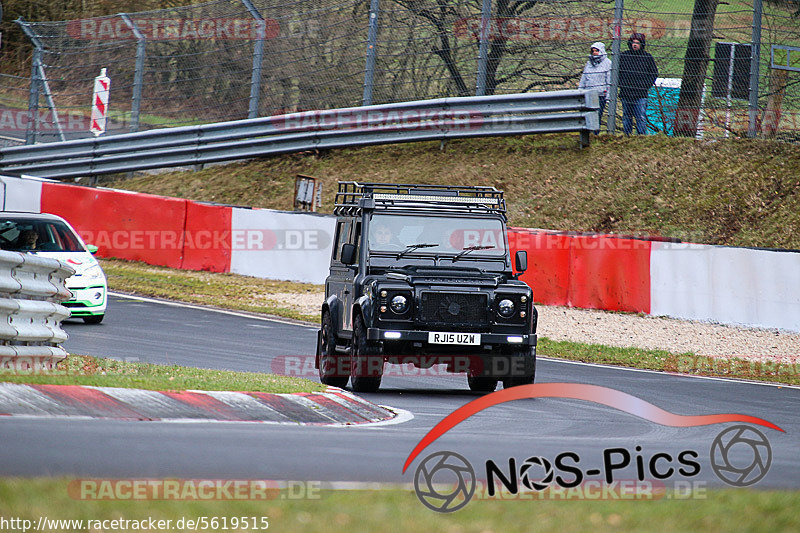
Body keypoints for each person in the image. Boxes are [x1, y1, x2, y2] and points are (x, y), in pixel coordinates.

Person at [618, 32, 658, 135]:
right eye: (633, 42)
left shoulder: (647, 58)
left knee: (640, 116)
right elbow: (616, 73)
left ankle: (641, 136)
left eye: (637, 43)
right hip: (626, 92)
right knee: (627, 116)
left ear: (642, 44)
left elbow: (653, 74)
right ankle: (627, 135)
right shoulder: (623, 56)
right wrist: (622, 84)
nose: (635, 45)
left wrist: (645, 85)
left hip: (640, 93)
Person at [579, 42, 612, 134]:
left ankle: (595, 134)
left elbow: (609, 81)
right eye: (593, 51)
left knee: (597, 116)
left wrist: (608, 96)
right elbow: (584, 78)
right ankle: (587, 134)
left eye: (596, 51)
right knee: (587, 116)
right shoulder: (589, 63)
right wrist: (580, 91)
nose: (594, 53)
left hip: (600, 95)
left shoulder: (608, 63)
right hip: (588, 93)